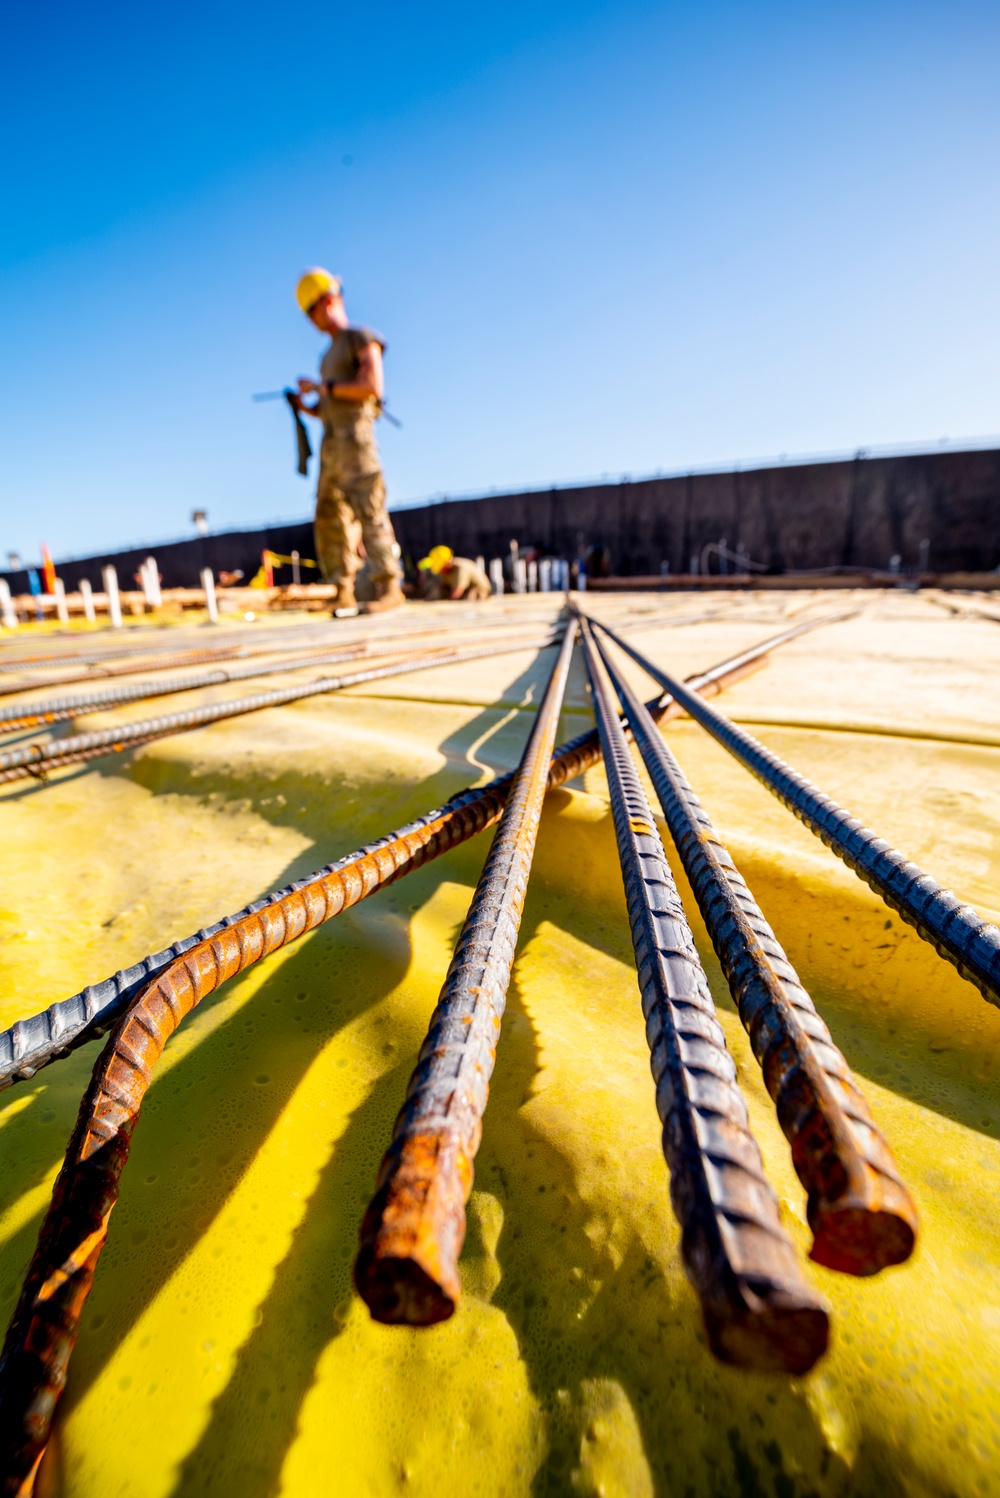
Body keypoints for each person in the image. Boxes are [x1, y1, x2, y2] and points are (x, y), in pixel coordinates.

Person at [291, 268, 404, 614]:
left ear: (329, 299)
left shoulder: (360, 337)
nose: (313, 320)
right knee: (329, 513)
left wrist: (322, 388)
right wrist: (305, 407)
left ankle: (388, 586)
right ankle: (342, 587)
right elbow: (327, 409)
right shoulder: (326, 357)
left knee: (368, 507)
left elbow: (372, 386)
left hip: (356, 438)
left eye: (313, 310)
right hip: (332, 443)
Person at [418, 546, 492, 601]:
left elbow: (457, 592)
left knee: (470, 597)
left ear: (447, 564)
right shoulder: (443, 571)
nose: (441, 571)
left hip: (479, 590)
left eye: (442, 568)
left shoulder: (461, 568)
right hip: (460, 591)